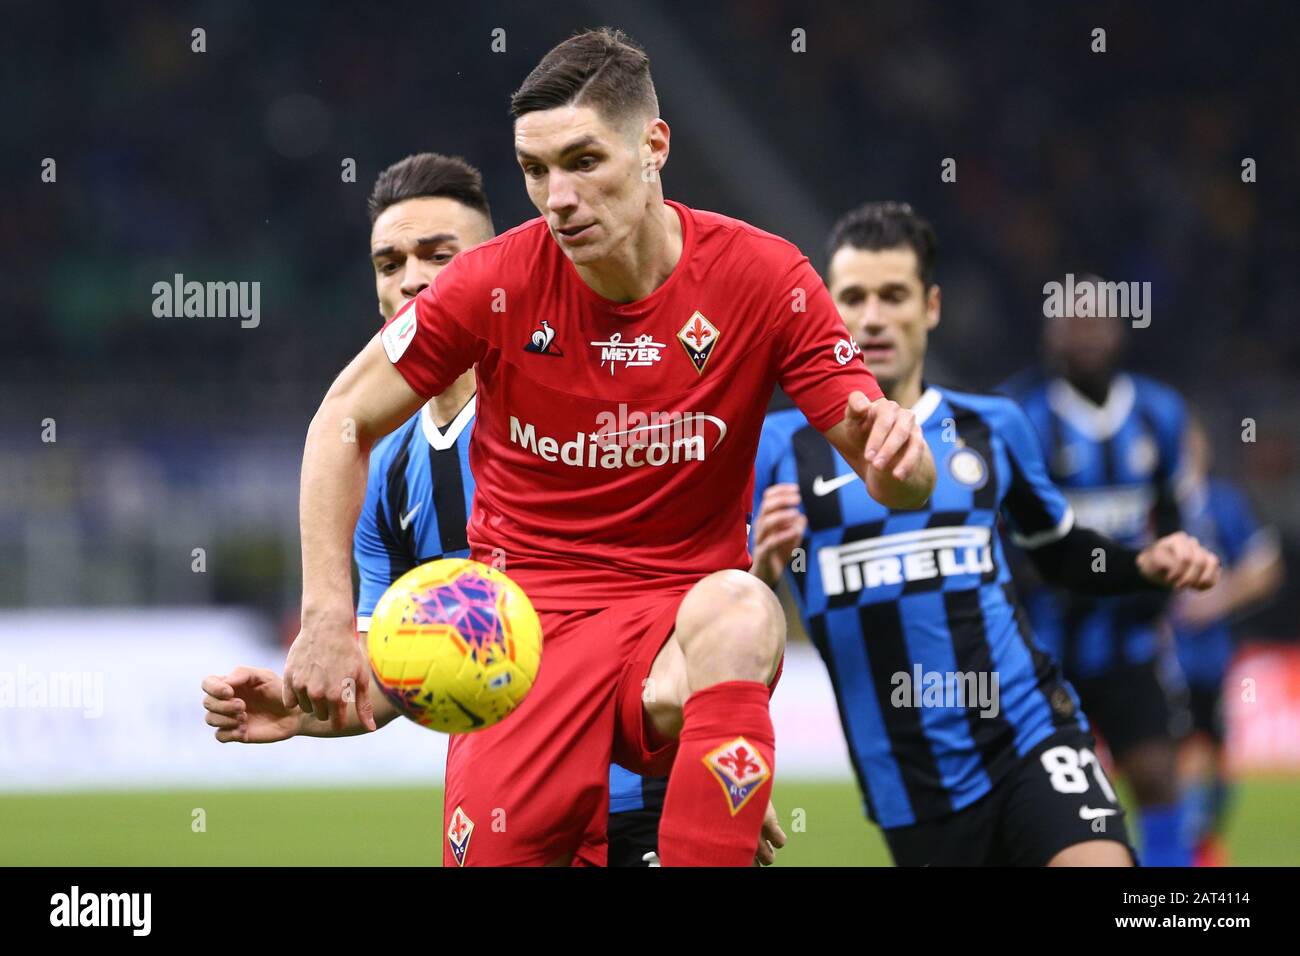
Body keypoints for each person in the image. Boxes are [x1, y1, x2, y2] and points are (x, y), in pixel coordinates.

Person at [277, 28, 935, 866]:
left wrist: (902, 470)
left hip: (672, 637)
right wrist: (328, 618)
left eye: (583, 160)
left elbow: (890, 468)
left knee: (744, 607)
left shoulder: (765, 280)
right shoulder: (493, 284)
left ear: (654, 145)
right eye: (534, 170)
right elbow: (342, 419)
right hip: (520, 649)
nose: (556, 197)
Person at [203, 152, 669, 867]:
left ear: (494, 268)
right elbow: (397, 670)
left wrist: (710, 746)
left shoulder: (580, 400)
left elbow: (673, 589)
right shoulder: (379, 468)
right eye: (389, 263)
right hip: (496, 795)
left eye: (438, 254)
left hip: (634, 795)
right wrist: (302, 710)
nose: (412, 278)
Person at [751, 202, 1219, 865]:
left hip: (1029, 732)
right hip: (909, 783)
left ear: (931, 306)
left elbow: (1059, 555)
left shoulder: (992, 426)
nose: (874, 316)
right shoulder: (775, 448)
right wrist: (760, 573)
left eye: (894, 295)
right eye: (854, 296)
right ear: (829, 310)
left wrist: (1143, 563)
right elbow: (726, 608)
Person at [1003, 277, 1200, 865]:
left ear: (1119, 329)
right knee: (1041, 795)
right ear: (1051, 331)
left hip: (1131, 646)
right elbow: (1003, 533)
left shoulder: (1160, 413)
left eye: (1097, 320)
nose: (1085, 332)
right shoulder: (1021, 415)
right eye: (1072, 319)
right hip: (1044, 650)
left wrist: (1156, 595)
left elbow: (1170, 517)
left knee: (1158, 777)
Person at [1172, 415, 1284, 865]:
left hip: (1213, 657)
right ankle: (1184, 844)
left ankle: (1203, 838)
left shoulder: (1223, 503)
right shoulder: (1144, 502)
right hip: (1159, 658)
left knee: (1215, 751)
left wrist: (1218, 599)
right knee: (1176, 751)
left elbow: (1266, 567)